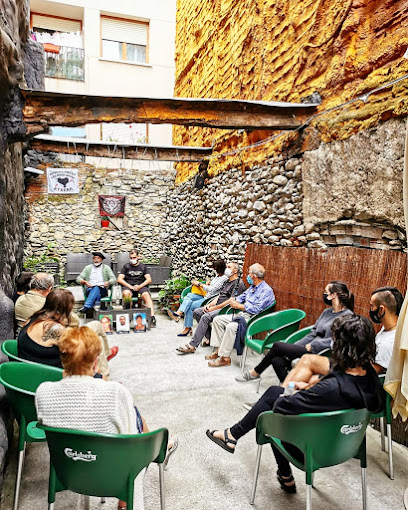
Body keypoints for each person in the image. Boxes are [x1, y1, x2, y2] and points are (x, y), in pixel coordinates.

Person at [206, 314, 384, 494]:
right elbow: (376, 406)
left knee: (272, 404)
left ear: (339, 345)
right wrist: (312, 385)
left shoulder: (330, 389)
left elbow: (281, 406)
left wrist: (294, 388)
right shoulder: (370, 376)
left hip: (312, 450)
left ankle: (236, 437)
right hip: (346, 446)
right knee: (278, 396)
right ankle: (238, 440)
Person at [35, 326, 178, 510]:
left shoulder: (43, 392)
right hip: (113, 477)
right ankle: (126, 502)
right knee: (136, 436)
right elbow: (132, 440)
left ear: (63, 361)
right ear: (96, 363)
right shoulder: (115, 392)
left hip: (69, 473)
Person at [280, 286, 404, 387]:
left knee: (308, 372)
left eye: (372, 306)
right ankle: (284, 394)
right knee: (306, 361)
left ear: (381, 310)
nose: (370, 309)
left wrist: (328, 376)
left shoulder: (387, 344)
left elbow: (367, 375)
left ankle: (283, 398)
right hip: (356, 366)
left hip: (358, 379)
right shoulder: (391, 329)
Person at [236, 281, 354, 383]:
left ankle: (255, 372)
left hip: (322, 353)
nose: (324, 294)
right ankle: (287, 391)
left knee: (277, 346)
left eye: (326, 291)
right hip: (307, 347)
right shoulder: (327, 312)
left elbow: (337, 341)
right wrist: (294, 347)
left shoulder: (347, 317)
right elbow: (313, 333)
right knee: (277, 361)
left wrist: (313, 346)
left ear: (333, 295)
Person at [18, 289, 114, 378]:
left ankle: (106, 357)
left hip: (33, 366)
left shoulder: (32, 319)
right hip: (51, 372)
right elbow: (79, 348)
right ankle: (105, 372)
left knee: (97, 329)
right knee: (98, 335)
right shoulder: (54, 328)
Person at [206, 263, 275, 367]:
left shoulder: (266, 290)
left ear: (254, 276)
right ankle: (219, 350)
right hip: (242, 315)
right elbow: (240, 297)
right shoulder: (252, 288)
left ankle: (225, 357)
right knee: (217, 320)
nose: (247, 276)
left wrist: (239, 306)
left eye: (249, 273)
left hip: (254, 319)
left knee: (231, 326)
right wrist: (234, 300)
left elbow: (257, 309)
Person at [176, 261, 246, 354]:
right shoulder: (227, 281)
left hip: (226, 310)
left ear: (235, 270)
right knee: (197, 312)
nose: (226, 269)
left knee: (206, 316)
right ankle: (209, 338)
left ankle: (192, 345)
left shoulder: (238, 284)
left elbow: (230, 301)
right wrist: (210, 305)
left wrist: (214, 308)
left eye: (229, 267)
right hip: (217, 307)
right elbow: (219, 296)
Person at [169, 259, 228, 337]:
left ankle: (187, 327)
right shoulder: (217, 276)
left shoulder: (224, 278)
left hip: (209, 299)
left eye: (215, 267)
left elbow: (213, 289)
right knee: (189, 296)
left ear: (218, 268)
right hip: (205, 295)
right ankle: (179, 312)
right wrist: (209, 283)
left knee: (190, 306)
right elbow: (213, 286)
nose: (214, 269)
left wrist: (200, 284)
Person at [117, 249, 156, 328]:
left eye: (134, 257)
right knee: (126, 294)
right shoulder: (126, 266)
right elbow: (119, 279)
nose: (132, 259)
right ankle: (128, 314)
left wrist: (140, 286)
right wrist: (130, 286)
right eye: (131, 258)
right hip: (129, 286)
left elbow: (149, 279)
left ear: (138, 257)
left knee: (146, 295)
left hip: (141, 286)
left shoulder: (143, 267)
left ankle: (152, 317)